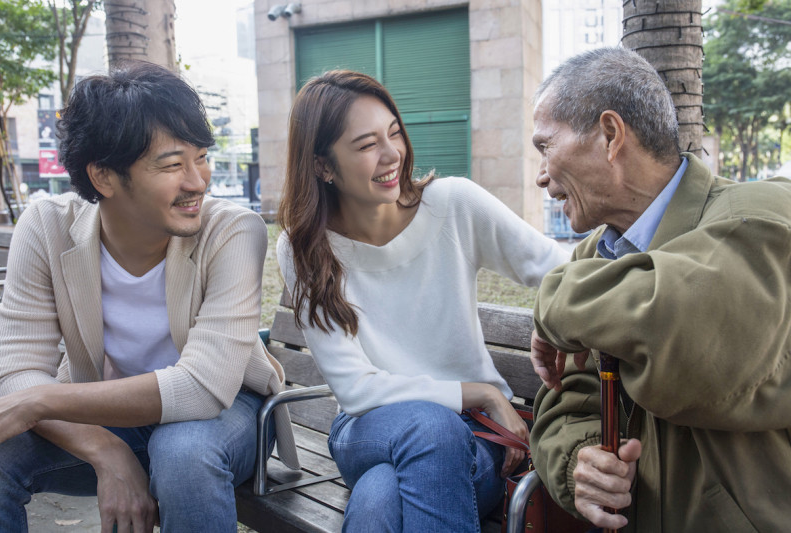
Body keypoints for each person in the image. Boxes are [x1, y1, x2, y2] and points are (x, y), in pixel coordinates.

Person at [0, 62, 298, 533]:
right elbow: (14, 373)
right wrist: (105, 450)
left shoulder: (234, 230)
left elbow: (202, 387)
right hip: (107, 416)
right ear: (104, 177)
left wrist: (39, 402)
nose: (198, 180)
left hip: (228, 412)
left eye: (201, 157)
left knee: (182, 455)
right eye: (173, 164)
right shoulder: (48, 225)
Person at [276, 69, 569, 532]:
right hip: (367, 431)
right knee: (430, 428)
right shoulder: (304, 249)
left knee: (379, 497)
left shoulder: (453, 205)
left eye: (394, 132)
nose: (392, 153)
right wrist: (484, 393)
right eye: (366, 144)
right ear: (322, 166)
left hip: (475, 440)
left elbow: (558, 268)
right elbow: (357, 390)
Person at [528, 47, 791, 532]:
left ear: (610, 135)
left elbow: (683, 336)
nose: (542, 176)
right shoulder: (592, 259)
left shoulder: (762, 215)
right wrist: (578, 461)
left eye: (546, 147)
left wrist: (553, 300)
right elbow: (567, 396)